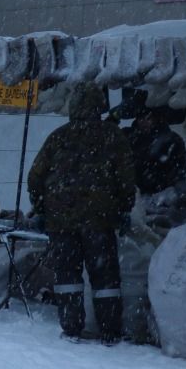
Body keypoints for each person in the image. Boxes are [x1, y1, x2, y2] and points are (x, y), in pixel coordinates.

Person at [27, 84, 137, 344]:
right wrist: (124, 209)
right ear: (100, 106)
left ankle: (71, 327)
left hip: (60, 222)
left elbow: (35, 177)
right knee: (105, 278)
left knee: (67, 276)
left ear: (73, 107)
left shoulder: (58, 136)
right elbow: (126, 178)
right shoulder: (113, 137)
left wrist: (41, 208)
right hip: (100, 220)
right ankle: (109, 331)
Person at [128, 106, 186, 197]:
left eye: (148, 119)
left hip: (163, 193)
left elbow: (179, 168)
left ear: (156, 119)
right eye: (141, 119)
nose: (144, 122)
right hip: (138, 193)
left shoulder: (172, 139)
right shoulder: (132, 138)